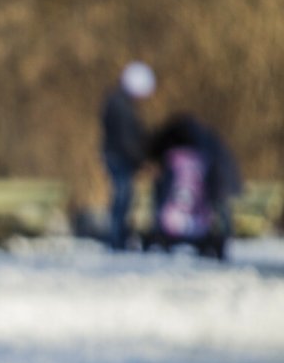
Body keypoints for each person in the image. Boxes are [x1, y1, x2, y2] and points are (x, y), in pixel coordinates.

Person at [146, 112, 242, 260]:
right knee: (218, 211)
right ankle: (222, 242)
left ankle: (223, 242)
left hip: (218, 183)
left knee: (218, 210)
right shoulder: (206, 142)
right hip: (216, 184)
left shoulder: (199, 148)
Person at [100, 61, 156, 250]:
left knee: (124, 196)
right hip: (119, 157)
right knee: (122, 197)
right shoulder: (121, 106)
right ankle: (116, 238)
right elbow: (126, 139)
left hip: (118, 156)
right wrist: (141, 160)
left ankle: (119, 236)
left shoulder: (120, 103)